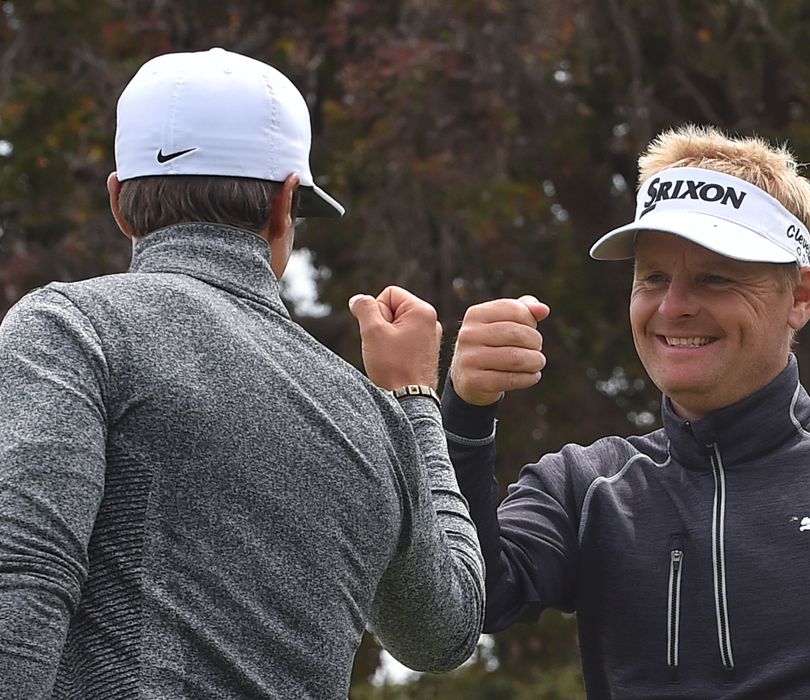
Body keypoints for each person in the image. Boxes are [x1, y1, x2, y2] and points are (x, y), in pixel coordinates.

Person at [437, 125, 810, 698]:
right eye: (654, 277)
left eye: (715, 278)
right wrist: (465, 414)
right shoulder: (585, 486)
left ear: (800, 296)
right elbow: (462, 607)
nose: (675, 307)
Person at [0, 48, 483, 698]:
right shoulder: (373, 418)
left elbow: (19, 580)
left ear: (119, 202)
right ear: (286, 205)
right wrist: (416, 402)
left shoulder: (71, 328)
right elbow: (444, 631)